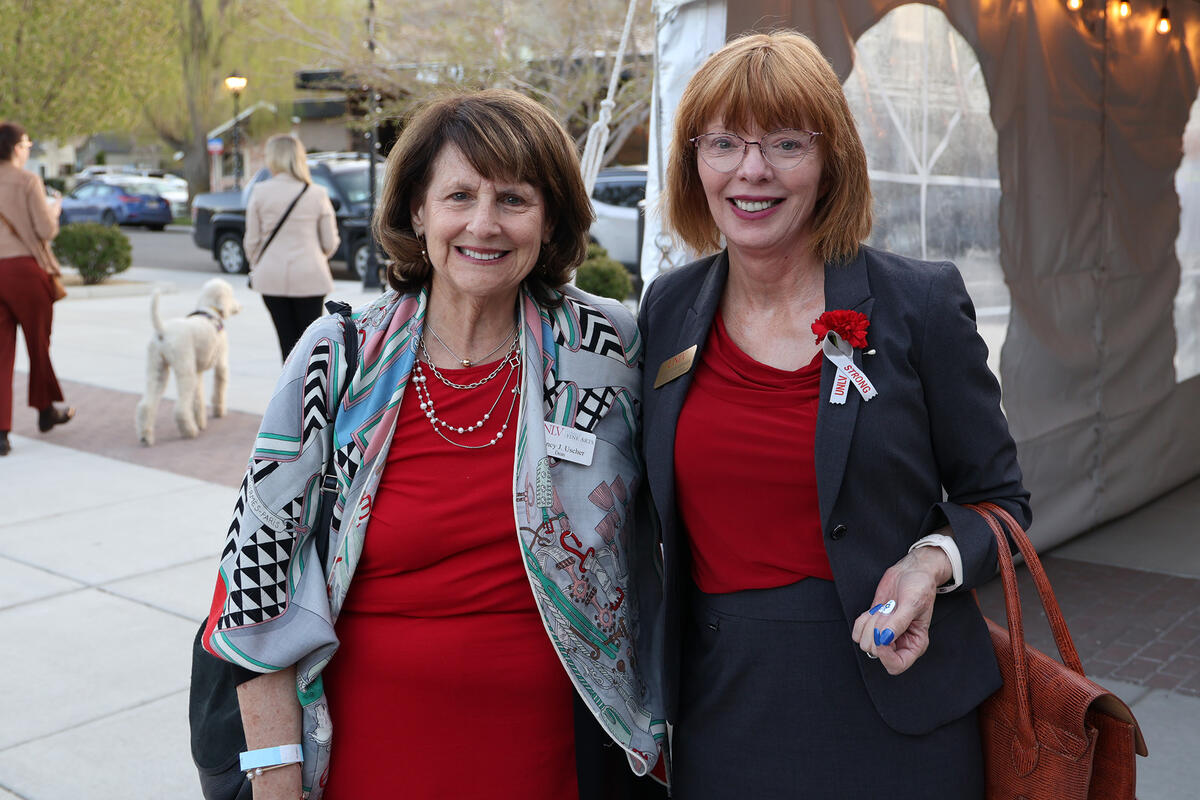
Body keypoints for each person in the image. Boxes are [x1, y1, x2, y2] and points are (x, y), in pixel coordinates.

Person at [201, 89, 666, 800]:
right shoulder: (340, 358)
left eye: (514, 198)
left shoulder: (605, 349)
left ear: (550, 221)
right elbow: (255, 578)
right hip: (371, 756)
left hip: (557, 760)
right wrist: (275, 778)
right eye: (458, 195)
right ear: (418, 211)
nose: (484, 223)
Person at [638, 31, 1031, 798]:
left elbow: (1004, 505)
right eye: (723, 143)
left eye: (786, 143)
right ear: (694, 163)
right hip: (722, 703)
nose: (752, 171)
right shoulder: (668, 310)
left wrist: (929, 565)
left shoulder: (916, 303)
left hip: (895, 696)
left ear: (831, 161)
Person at [0, 121, 74, 457]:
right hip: (25, 271)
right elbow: (45, 229)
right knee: (38, 346)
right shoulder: (28, 180)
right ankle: (45, 410)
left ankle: (1, 434)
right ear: (16, 147)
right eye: (27, 143)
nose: (28, 148)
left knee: (2, 356)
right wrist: (54, 212)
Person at [244, 133, 339, 362]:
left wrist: (262, 262)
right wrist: (313, 255)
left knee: (286, 342)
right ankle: (310, 393)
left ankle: (288, 391)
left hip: (271, 277)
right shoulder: (317, 193)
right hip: (310, 276)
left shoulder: (260, 192)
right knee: (309, 345)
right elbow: (330, 242)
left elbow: (251, 242)